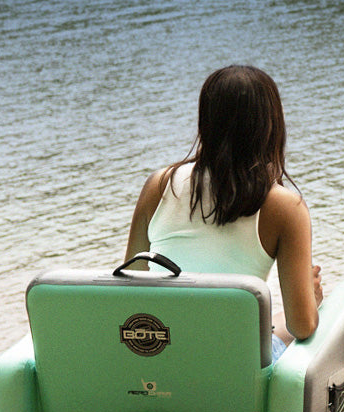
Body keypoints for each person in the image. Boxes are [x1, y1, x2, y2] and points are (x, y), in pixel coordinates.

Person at [125, 65, 325, 359]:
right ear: (271, 126)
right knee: (329, 308)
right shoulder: (285, 206)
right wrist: (311, 296)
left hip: (161, 356)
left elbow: (129, 286)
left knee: (273, 325)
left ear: (205, 122)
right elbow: (302, 326)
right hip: (237, 366)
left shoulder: (160, 185)